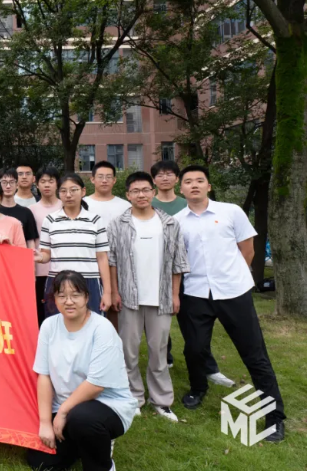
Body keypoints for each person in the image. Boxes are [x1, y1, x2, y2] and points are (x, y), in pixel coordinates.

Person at [175, 165, 285, 441]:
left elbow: (247, 250)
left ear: (208, 186)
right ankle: (198, 388)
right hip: (196, 293)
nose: (194, 185)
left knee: (254, 355)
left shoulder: (231, 212)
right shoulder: (176, 221)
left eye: (200, 180)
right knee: (194, 348)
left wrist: (233, 276)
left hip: (233, 292)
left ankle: (274, 417)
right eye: (188, 181)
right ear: (181, 189)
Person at [25, 271, 138, 472]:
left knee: (82, 420)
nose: (68, 301)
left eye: (75, 295)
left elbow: (96, 385)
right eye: (62, 295)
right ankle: (81, 444)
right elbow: (44, 375)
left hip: (107, 404)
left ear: (86, 297)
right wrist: (45, 423)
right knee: (40, 461)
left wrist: (63, 412)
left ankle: (103, 465)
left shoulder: (102, 328)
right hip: (65, 407)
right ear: (54, 299)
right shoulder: (49, 326)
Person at [107, 172, 189, 422]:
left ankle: (162, 400)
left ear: (153, 192)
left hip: (160, 297)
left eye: (145, 190)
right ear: (128, 195)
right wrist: (115, 291)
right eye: (135, 191)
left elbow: (178, 262)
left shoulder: (169, 223)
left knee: (159, 350)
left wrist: (175, 294)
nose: (141, 195)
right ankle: (133, 398)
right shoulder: (117, 224)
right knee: (128, 351)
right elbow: (111, 261)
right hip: (129, 297)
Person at [151, 159, 228, 380]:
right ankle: (165, 357)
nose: (165, 178)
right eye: (160, 175)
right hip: (157, 272)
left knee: (193, 325)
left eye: (169, 174)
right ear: (154, 180)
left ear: (177, 179)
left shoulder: (188, 204)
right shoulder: (148, 203)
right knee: (159, 322)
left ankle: (208, 366)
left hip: (191, 274)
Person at [36, 173, 113, 317]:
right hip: (58, 282)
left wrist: (107, 292)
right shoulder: (50, 220)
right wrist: (39, 257)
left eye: (73, 190)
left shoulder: (95, 220)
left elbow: (102, 258)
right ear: (58, 193)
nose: (68, 195)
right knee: (57, 324)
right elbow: (46, 254)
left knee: (91, 325)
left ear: (83, 191)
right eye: (63, 191)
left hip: (89, 281)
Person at [85, 161, 129, 331]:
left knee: (116, 311)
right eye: (100, 177)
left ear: (114, 180)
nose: (104, 180)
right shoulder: (83, 204)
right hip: (90, 264)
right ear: (92, 179)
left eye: (108, 177)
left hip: (119, 265)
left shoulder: (125, 205)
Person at [30, 168, 63, 327]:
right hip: (41, 269)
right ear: (37, 184)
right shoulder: (31, 210)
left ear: (57, 184)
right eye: (43, 182)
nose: (47, 185)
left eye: (51, 181)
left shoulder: (66, 206)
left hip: (64, 267)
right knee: (43, 313)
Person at [0, 168, 39, 249]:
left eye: (12, 182)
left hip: (19, 254)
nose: (8, 186)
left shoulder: (26, 212)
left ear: (17, 185)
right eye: (4, 182)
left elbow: (30, 242)